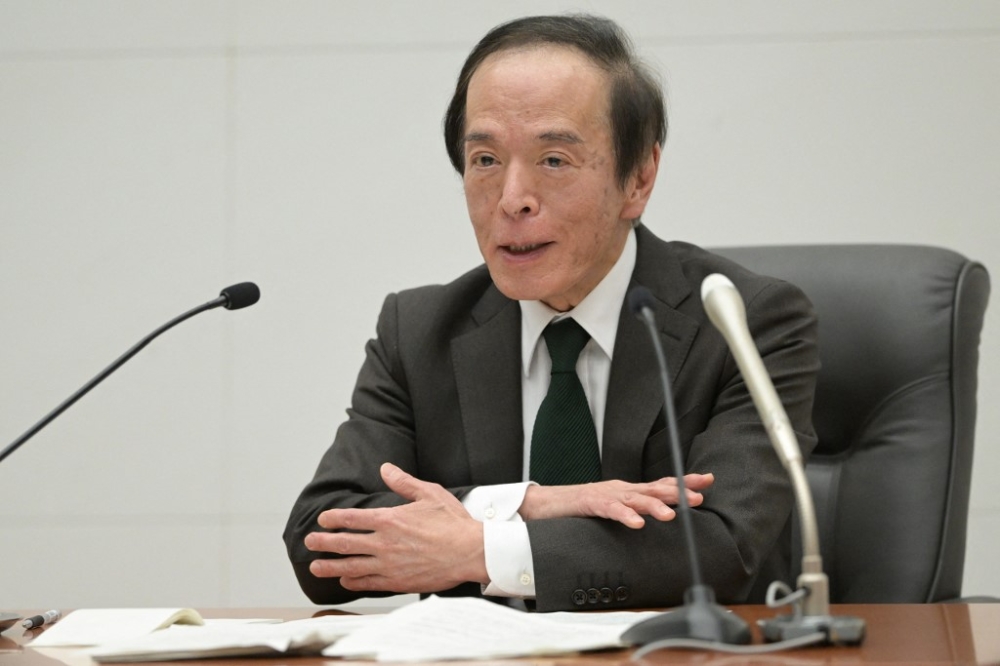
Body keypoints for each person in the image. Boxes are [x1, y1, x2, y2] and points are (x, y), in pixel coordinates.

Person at [283, 14, 819, 612]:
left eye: (554, 160)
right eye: (485, 160)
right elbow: (318, 541)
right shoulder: (420, 330)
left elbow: (723, 545)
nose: (512, 200)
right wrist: (531, 503)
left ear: (639, 178)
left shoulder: (745, 322)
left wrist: (481, 549)